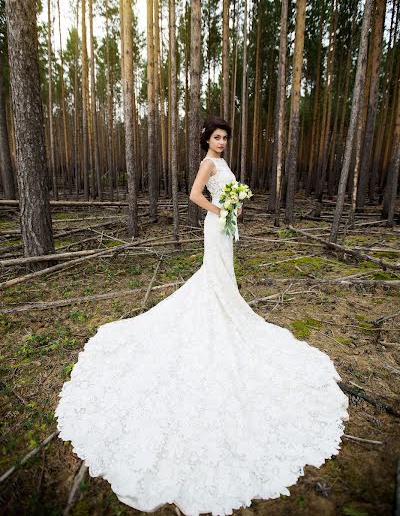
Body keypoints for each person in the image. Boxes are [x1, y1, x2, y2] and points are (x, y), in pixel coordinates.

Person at [54, 118, 349, 516]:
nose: (222, 142)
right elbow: (195, 195)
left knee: (223, 278)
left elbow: (228, 193)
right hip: (215, 225)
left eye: (226, 137)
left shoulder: (222, 163)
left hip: (224, 226)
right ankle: (214, 317)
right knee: (213, 278)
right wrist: (221, 207)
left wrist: (237, 205)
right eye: (217, 137)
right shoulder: (207, 163)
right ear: (206, 140)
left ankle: (226, 311)